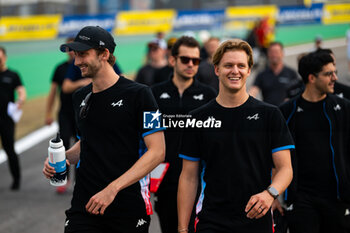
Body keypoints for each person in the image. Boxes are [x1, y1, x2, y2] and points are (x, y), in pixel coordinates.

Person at [43, 26, 165, 233]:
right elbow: (89, 140)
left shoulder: (139, 95)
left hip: (127, 205)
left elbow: (157, 152)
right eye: (75, 55)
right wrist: (63, 158)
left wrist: (112, 189)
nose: (77, 61)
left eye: (83, 54)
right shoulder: (80, 96)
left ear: (104, 54)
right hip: (84, 204)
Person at [177, 39, 294, 233]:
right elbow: (188, 177)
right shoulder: (197, 118)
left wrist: (270, 194)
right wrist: (182, 229)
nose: (235, 71)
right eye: (228, 65)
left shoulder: (270, 114)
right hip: (212, 220)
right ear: (217, 69)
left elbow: (285, 169)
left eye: (241, 65)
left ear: (249, 71)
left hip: (257, 218)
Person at [151, 36, 217, 233]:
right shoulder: (153, 95)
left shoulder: (209, 96)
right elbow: (144, 137)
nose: (191, 64)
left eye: (195, 60)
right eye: (185, 59)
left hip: (198, 181)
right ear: (172, 60)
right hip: (164, 180)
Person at [279, 51, 350, 233]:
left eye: (334, 72)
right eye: (328, 74)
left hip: (338, 198)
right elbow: (268, 155)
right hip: (302, 200)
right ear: (311, 77)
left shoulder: (343, 108)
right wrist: (273, 196)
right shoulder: (286, 112)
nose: (335, 78)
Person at [45, 37, 77, 194]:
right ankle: (63, 178)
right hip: (64, 113)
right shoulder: (60, 68)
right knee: (63, 146)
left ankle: (79, 180)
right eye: (69, 49)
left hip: (81, 114)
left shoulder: (82, 67)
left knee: (81, 146)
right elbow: (52, 92)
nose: (71, 52)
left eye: (73, 48)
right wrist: (48, 113)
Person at [0, 46, 26, 191]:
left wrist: (20, 101)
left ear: (5, 58)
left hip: (6, 118)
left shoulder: (12, 75)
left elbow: (21, 91)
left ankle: (16, 179)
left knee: (9, 148)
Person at [249, 41, 300, 106]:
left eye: (276, 52)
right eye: (271, 52)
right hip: (268, 112)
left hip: (286, 112)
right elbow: (253, 91)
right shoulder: (262, 74)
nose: (274, 55)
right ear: (268, 54)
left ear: (282, 54)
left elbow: (298, 93)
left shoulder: (291, 73)